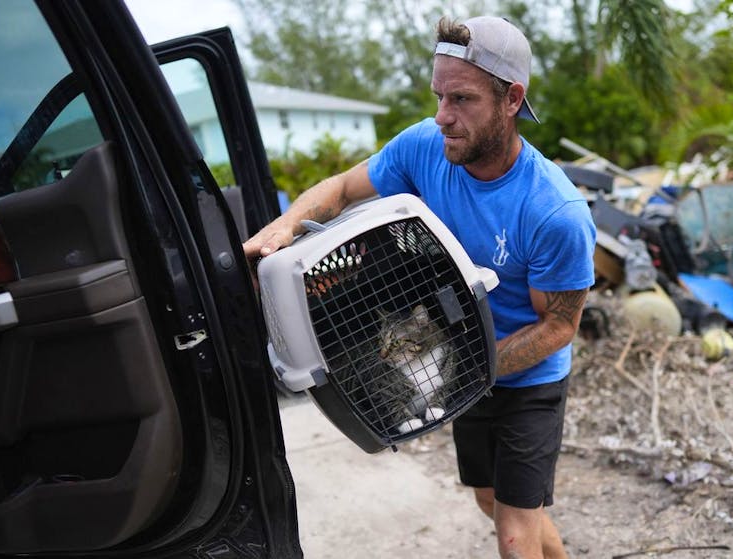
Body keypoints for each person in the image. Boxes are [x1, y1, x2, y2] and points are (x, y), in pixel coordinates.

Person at [244, 15, 596, 559]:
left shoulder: (556, 212)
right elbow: (342, 188)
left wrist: (472, 370)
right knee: (490, 499)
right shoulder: (424, 147)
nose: (443, 117)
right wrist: (281, 229)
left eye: (462, 99)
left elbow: (559, 326)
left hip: (528, 380)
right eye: (438, 96)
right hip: (463, 363)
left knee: (513, 529)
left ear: (511, 99)